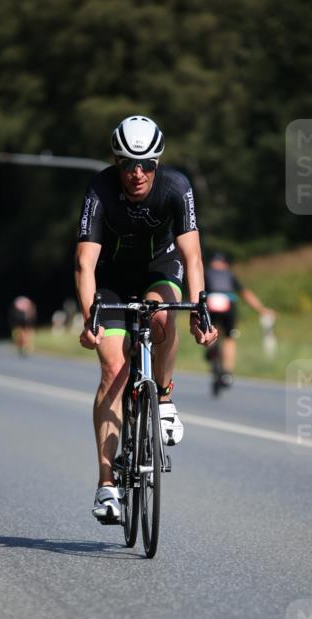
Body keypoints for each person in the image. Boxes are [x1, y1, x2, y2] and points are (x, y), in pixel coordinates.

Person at [75, 114, 216, 522]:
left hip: (160, 266)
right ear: (115, 161)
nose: (138, 174)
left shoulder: (177, 186)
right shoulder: (100, 188)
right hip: (112, 278)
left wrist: (200, 308)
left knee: (163, 317)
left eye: (147, 164)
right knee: (113, 369)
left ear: (158, 162)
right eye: (128, 165)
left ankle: (165, 398)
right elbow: (85, 263)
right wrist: (90, 320)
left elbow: (192, 256)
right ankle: (106, 486)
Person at [204, 252, 276, 389]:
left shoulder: (206, 273)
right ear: (225, 264)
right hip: (228, 304)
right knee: (229, 338)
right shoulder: (230, 274)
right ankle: (227, 373)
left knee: (211, 332)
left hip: (210, 303)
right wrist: (262, 309)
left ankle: (212, 351)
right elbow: (246, 294)